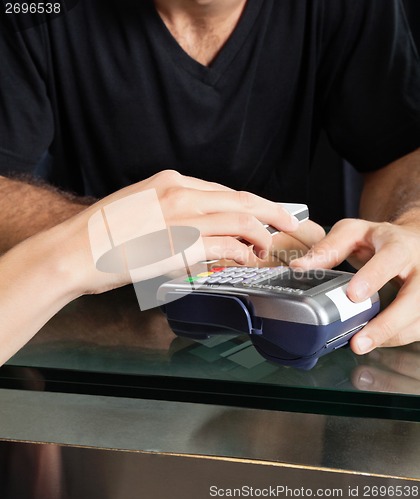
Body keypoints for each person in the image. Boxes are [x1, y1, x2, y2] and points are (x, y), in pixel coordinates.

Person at [0, 0, 420, 362]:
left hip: (289, 328)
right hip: (100, 332)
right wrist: (113, 238)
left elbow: (398, 148)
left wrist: (413, 226)